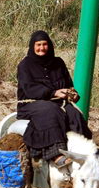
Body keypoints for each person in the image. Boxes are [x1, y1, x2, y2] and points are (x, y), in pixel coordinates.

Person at [17, 30, 92, 168]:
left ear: (49, 46)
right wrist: (53, 92)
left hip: (58, 103)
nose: (42, 48)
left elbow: (68, 84)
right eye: (38, 45)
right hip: (31, 104)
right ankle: (56, 154)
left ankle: (81, 152)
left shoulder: (58, 63)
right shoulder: (25, 65)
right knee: (51, 110)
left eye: (44, 44)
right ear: (32, 46)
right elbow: (30, 89)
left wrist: (72, 93)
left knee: (73, 113)